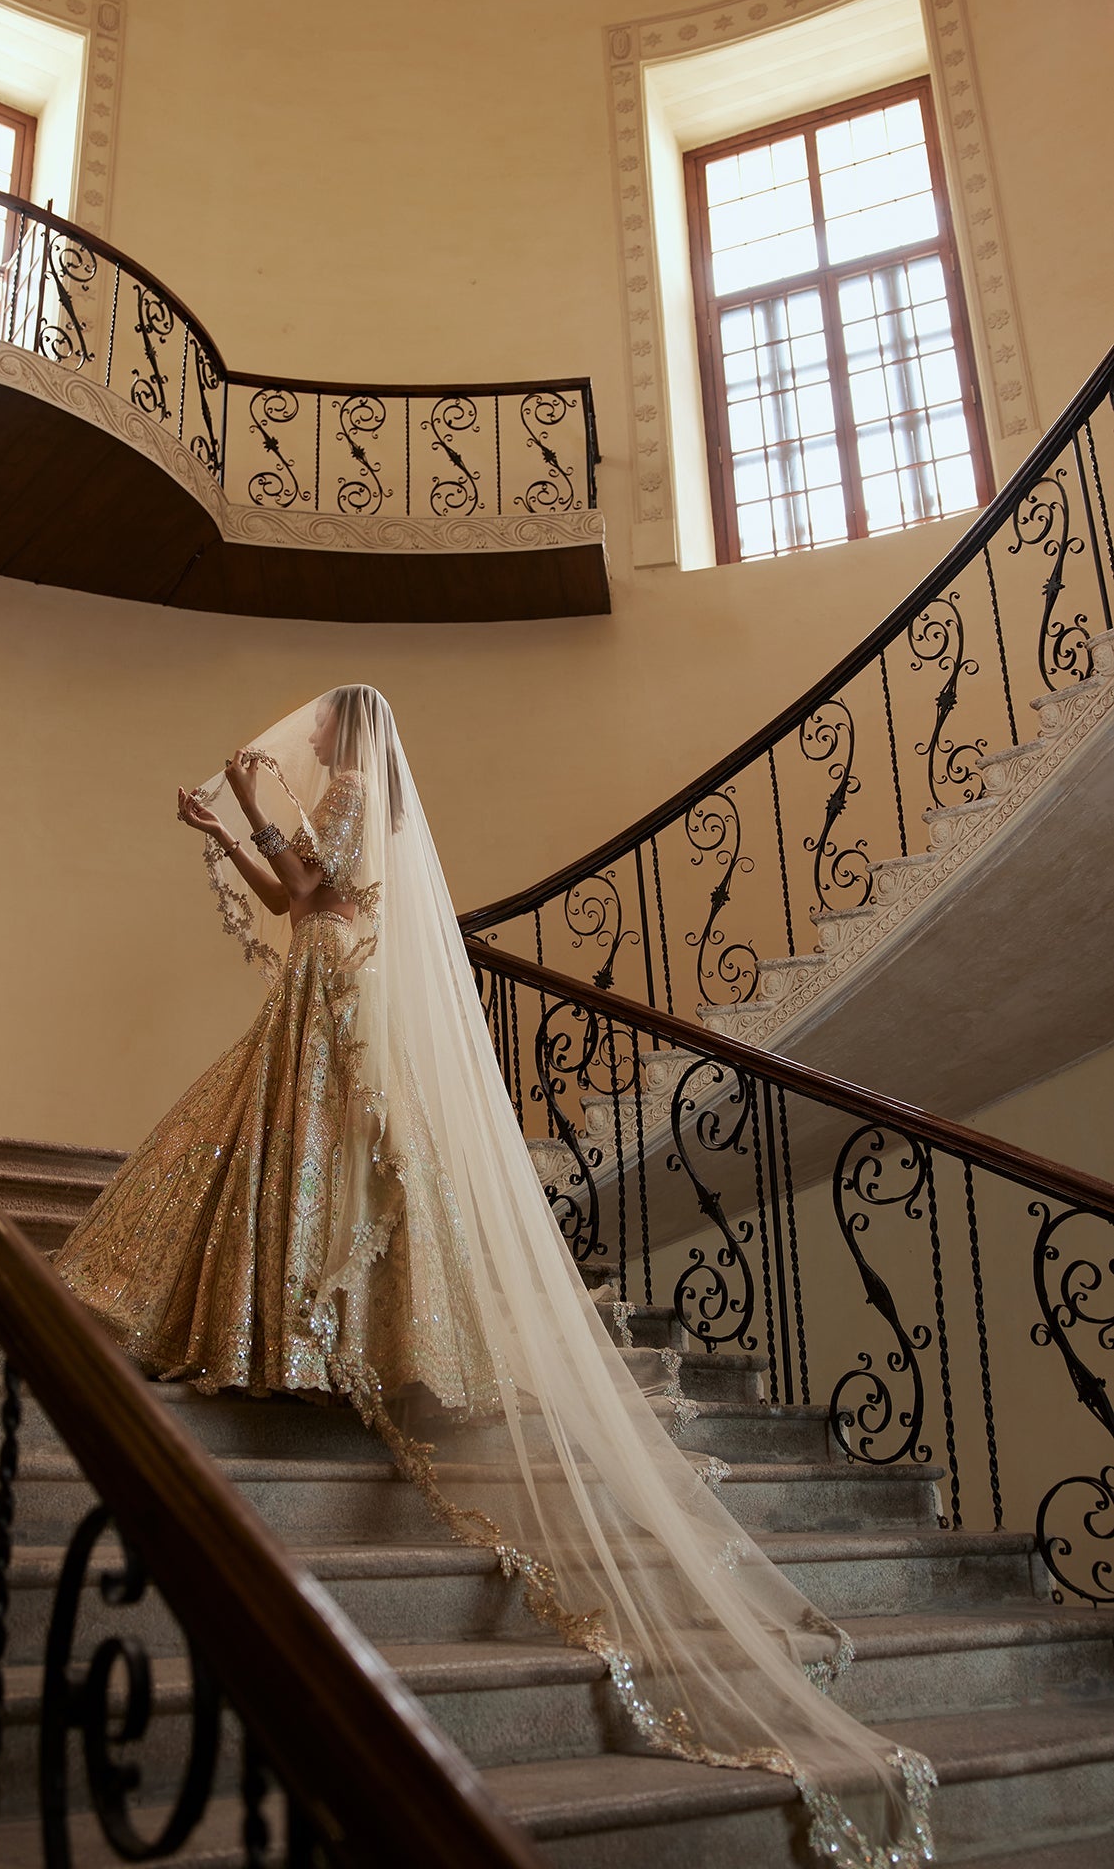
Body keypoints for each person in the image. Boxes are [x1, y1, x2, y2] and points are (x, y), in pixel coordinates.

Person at [56, 687, 935, 1867]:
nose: (303, 730)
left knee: (342, 1174)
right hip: (311, 984)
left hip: (337, 1007)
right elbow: (293, 902)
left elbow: (313, 877)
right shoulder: (341, 795)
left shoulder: (356, 791)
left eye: (318, 722)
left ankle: (343, 1335)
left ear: (349, 731)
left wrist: (258, 803)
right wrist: (225, 833)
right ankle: (278, 1330)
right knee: (279, 1165)